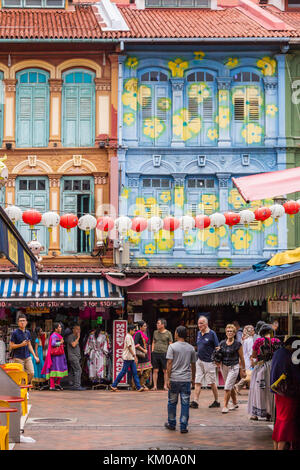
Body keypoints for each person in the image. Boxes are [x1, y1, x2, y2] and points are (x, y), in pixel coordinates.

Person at [165, 326, 196, 434]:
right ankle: (183, 426)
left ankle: (172, 423)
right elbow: (193, 364)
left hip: (174, 379)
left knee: (172, 402)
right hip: (186, 379)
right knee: (185, 403)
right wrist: (193, 378)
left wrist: (168, 378)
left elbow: (169, 363)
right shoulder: (191, 348)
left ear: (177, 333)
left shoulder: (172, 347)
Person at [271, 336, 300, 450]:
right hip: (288, 394)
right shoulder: (288, 356)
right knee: (286, 423)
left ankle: (276, 447)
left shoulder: (278, 353)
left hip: (279, 393)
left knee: (280, 421)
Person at [248, 323, 281, 421]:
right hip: (274, 367)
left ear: (261, 332)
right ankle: (270, 413)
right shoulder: (277, 341)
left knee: (257, 390)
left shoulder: (259, 341)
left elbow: (254, 356)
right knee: (271, 391)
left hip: (261, 367)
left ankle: (256, 414)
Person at [190, 315, 220, 409]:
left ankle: (216, 401)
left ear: (206, 324)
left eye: (201, 323)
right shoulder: (199, 333)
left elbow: (217, 347)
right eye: (199, 323)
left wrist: (217, 360)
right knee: (198, 381)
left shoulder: (212, 333)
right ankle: (195, 401)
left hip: (209, 362)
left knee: (211, 382)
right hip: (199, 361)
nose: (199, 325)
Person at [215, 324, 246, 414]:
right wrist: (217, 353)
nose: (229, 333)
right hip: (224, 366)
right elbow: (219, 355)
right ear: (226, 332)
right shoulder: (222, 343)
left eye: (231, 331)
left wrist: (243, 369)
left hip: (234, 366)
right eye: (228, 331)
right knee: (230, 385)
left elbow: (242, 357)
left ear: (234, 333)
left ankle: (225, 406)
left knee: (227, 387)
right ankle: (235, 402)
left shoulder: (237, 344)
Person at [110, 324, 144, 392]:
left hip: (130, 358)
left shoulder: (129, 336)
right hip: (128, 358)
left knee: (134, 372)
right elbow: (129, 347)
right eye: (134, 330)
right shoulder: (128, 337)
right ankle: (114, 385)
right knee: (124, 372)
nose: (134, 332)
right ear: (130, 330)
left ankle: (138, 387)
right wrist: (134, 356)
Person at [9, 313, 40, 384]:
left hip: (27, 356)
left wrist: (35, 356)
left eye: (23, 320)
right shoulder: (15, 333)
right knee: (21, 375)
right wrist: (21, 344)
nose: (22, 322)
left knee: (32, 373)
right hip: (18, 357)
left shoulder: (27, 332)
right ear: (18, 322)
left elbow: (29, 345)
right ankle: (23, 390)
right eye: (20, 321)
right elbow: (11, 346)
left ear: (26, 322)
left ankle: (25, 385)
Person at [41, 322, 68, 390]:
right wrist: (60, 342)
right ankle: (52, 386)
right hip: (55, 356)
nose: (61, 328)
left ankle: (57, 384)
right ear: (56, 329)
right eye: (59, 327)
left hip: (59, 355)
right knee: (54, 370)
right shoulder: (54, 335)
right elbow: (53, 344)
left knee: (60, 369)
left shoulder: (57, 335)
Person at [151, 319, 173, 391]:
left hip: (164, 353)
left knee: (165, 370)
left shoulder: (168, 333)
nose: (157, 325)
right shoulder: (155, 332)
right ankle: (155, 386)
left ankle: (165, 386)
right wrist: (152, 350)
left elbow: (170, 344)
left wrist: (170, 354)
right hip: (155, 353)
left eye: (158, 323)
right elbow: (153, 342)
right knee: (155, 370)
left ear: (163, 325)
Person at [235, 325, 255, 394]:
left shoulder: (244, 339)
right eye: (252, 330)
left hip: (245, 360)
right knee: (250, 375)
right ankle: (238, 386)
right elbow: (250, 352)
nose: (254, 332)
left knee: (249, 375)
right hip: (248, 361)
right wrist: (252, 360)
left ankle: (238, 387)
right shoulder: (250, 340)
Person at [133, 321, 152, 390]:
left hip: (144, 355)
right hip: (140, 355)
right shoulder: (138, 333)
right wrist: (143, 350)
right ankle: (137, 386)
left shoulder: (143, 333)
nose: (146, 327)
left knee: (147, 370)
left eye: (146, 326)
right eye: (144, 326)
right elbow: (135, 344)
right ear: (140, 327)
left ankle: (140, 385)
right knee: (138, 371)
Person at [67, 324, 86, 391]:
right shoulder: (71, 337)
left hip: (76, 357)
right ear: (73, 330)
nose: (79, 331)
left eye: (79, 329)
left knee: (73, 370)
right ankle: (77, 385)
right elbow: (73, 345)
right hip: (73, 357)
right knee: (78, 370)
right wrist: (78, 338)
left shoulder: (75, 337)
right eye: (77, 329)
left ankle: (72, 384)